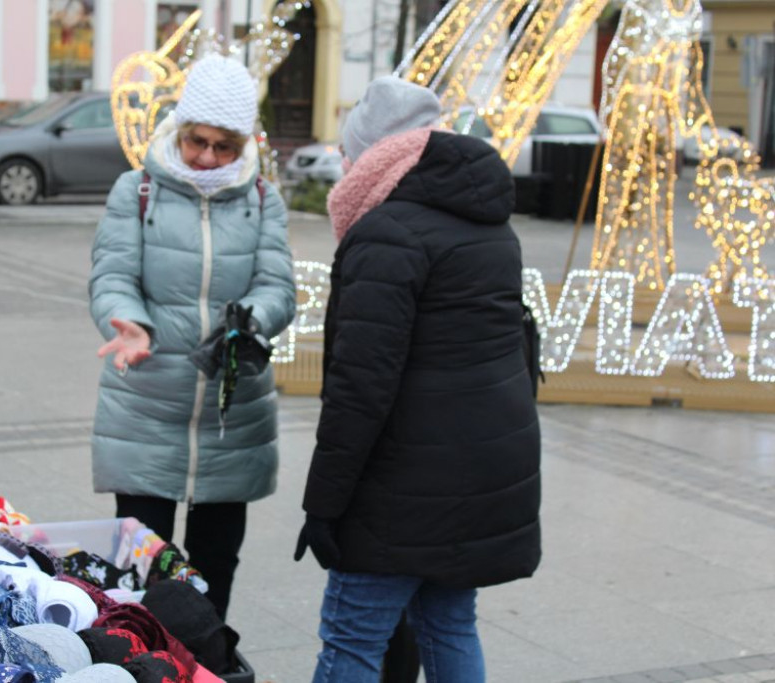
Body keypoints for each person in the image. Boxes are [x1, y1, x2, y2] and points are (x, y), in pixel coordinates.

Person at [293, 75, 542, 682]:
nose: (343, 167)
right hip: (478, 476)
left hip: (399, 488)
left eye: (349, 154)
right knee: (450, 625)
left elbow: (360, 390)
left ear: (375, 155)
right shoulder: (486, 224)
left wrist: (323, 506)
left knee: (352, 640)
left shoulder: (386, 233)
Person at [89, 54, 296, 622]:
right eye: (196, 141)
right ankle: (134, 660)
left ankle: (203, 662)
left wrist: (251, 320)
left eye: (223, 146)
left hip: (233, 415)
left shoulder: (262, 201)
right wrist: (126, 319)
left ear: (246, 142)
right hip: (147, 403)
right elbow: (111, 276)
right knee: (140, 566)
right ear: (179, 131)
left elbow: (279, 286)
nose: (207, 156)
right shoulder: (138, 190)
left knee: (213, 568)